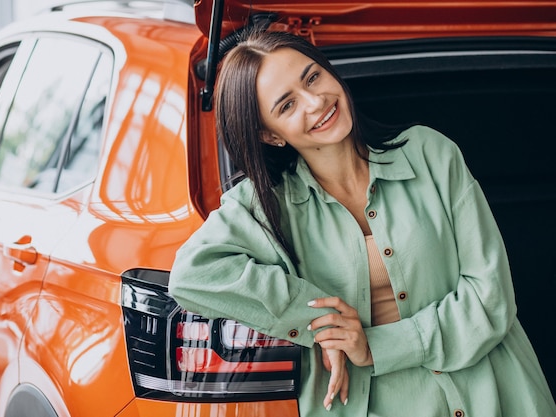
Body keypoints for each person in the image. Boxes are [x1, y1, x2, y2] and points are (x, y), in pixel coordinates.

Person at [168, 30, 556, 416]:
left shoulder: (430, 154)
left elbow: (491, 297)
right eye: (287, 106)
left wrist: (375, 346)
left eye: (313, 77)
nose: (316, 101)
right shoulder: (267, 205)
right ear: (270, 135)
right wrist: (320, 319)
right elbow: (192, 274)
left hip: (500, 394)